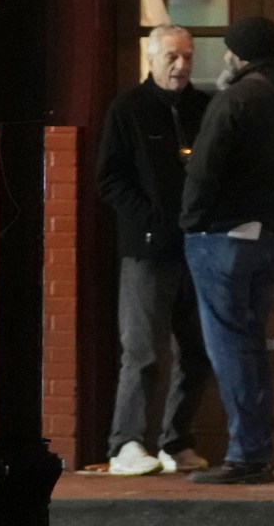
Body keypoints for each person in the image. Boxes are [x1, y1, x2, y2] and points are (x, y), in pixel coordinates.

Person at [180, 15, 274, 485]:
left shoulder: (234, 99)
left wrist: (192, 223)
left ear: (236, 54)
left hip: (223, 236)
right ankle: (257, 450)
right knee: (251, 344)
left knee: (230, 348)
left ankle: (246, 454)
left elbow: (204, 167)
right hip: (270, 236)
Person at [94, 25, 213, 477]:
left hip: (198, 249)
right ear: (151, 58)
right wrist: (151, 220)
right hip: (146, 252)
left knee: (198, 352)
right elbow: (110, 180)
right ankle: (125, 443)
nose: (181, 66)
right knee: (142, 351)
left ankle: (175, 440)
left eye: (187, 57)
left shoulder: (205, 107)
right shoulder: (128, 109)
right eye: (172, 57)